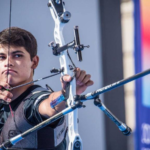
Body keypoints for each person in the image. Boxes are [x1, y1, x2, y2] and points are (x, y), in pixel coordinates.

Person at [0, 27, 93, 150]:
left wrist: (65, 94)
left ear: (34, 62)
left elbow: (49, 106)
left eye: (17, 55)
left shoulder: (34, 100)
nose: (8, 62)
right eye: (2, 57)